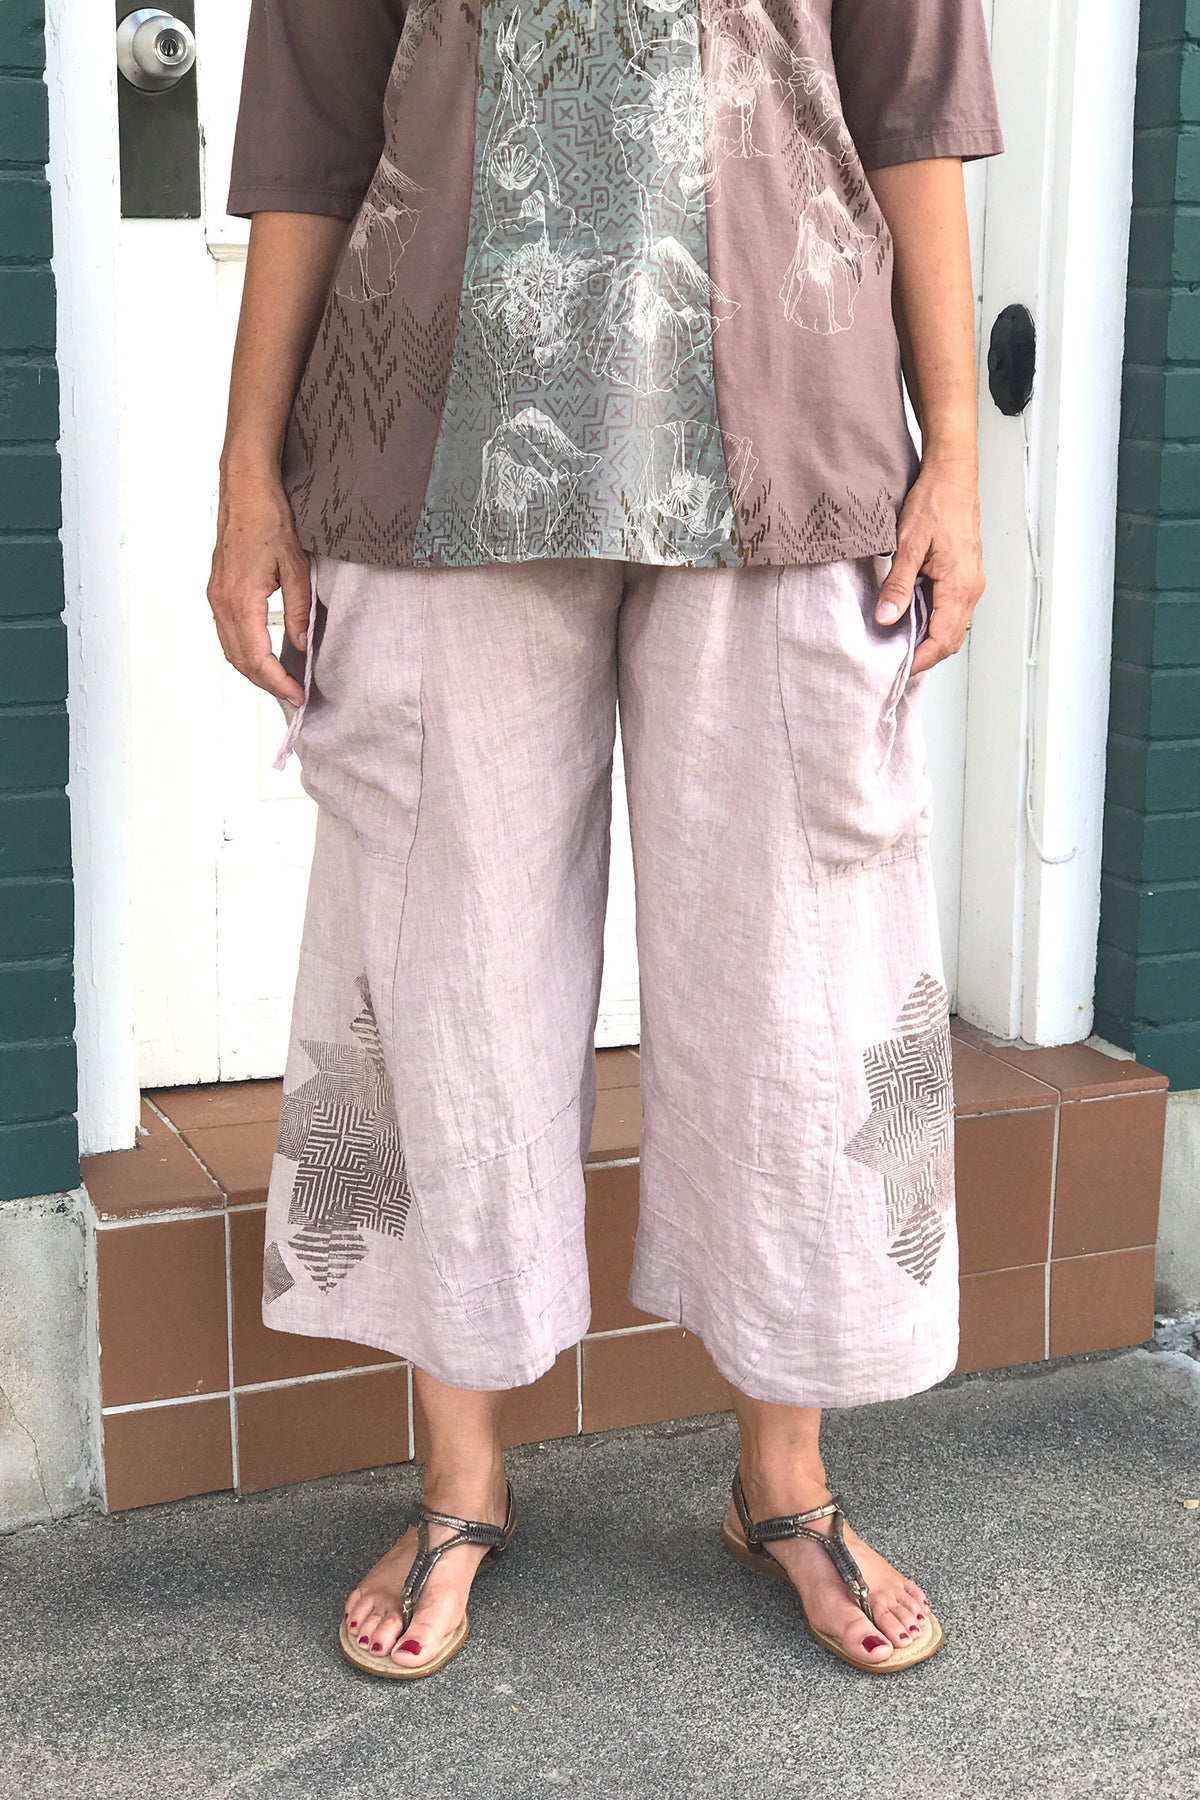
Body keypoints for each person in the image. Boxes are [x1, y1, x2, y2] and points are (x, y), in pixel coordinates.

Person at [211, 0, 1003, 1678]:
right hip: (428, 455)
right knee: (443, 978)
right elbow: (310, 132)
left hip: (797, 450)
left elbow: (913, 111)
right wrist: (247, 475)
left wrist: (958, 458)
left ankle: (785, 1480)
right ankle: (458, 1482)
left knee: (802, 985)